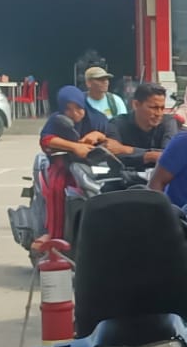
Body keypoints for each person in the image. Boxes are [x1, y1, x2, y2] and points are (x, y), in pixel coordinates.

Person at [35, 85, 108, 250]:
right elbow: (46, 140)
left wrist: (99, 135)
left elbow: (111, 138)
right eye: (68, 109)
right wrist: (74, 147)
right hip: (64, 164)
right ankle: (54, 234)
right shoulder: (57, 121)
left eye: (78, 108)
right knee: (57, 186)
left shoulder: (97, 118)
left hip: (94, 166)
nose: (75, 113)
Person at [107, 81, 178, 164]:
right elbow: (112, 154)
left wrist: (129, 150)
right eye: (153, 107)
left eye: (162, 108)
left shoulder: (168, 122)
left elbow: (170, 155)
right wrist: (150, 156)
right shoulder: (117, 124)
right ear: (136, 105)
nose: (159, 113)